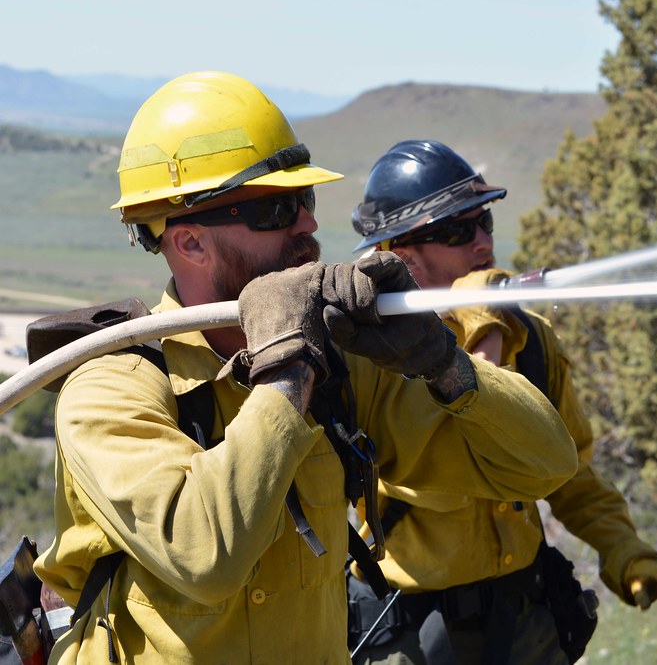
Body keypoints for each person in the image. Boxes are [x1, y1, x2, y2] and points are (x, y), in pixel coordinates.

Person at [32, 74, 578, 664]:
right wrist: (287, 370)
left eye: (306, 201)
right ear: (189, 243)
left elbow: (541, 466)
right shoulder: (111, 387)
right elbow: (204, 555)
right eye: (277, 209)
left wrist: (441, 359)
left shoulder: (341, 369)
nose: (308, 225)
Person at [347, 140, 657, 664]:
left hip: (528, 621)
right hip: (413, 634)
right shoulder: (372, 360)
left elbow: (569, 474)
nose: (480, 242)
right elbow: (470, 427)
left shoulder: (529, 339)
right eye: (454, 231)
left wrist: (629, 555)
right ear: (402, 257)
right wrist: (478, 322)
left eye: (484, 222)